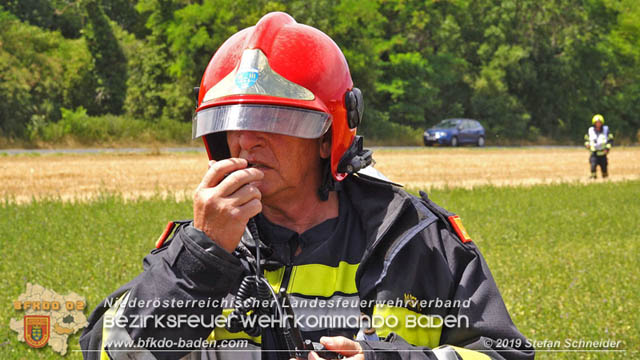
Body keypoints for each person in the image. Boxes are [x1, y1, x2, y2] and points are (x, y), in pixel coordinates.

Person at [80, 12, 534, 360]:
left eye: (273, 120)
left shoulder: (417, 240)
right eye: (232, 122)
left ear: (327, 137)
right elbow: (110, 350)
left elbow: (503, 353)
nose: (246, 140)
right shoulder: (200, 248)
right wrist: (201, 259)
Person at [584, 114, 614, 179]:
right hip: (594, 152)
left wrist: (607, 148)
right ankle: (593, 178)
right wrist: (587, 144)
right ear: (594, 123)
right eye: (597, 122)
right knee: (593, 166)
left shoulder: (606, 130)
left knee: (604, 167)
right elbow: (586, 139)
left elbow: (610, 140)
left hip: (603, 152)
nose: (598, 124)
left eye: (599, 122)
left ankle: (605, 179)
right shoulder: (590, 130)